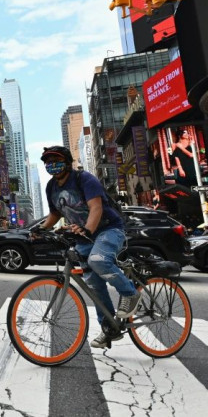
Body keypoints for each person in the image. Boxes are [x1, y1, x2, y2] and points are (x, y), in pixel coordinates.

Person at [38, 146, 141, 349]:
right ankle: (109, 328)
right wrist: (38, 230)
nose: (52, 165)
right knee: (93, 284)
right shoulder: (51, 187)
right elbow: (55, 214)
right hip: (84, 238)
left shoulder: (84, 178)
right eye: (48, 162)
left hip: (108, 229)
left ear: (67, 162)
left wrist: (87, 229)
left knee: (98, 260)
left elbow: (96, 207)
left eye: (56, 160)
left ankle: (130, 294)